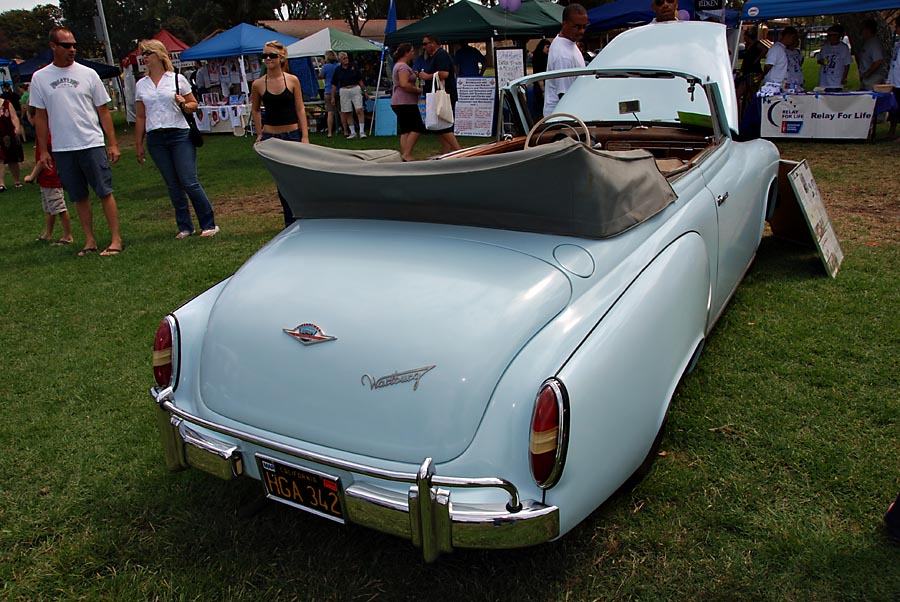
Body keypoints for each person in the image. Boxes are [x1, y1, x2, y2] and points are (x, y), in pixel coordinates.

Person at [134, 39, 219, 239]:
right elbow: (140, 116)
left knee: (189, 180)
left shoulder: (176, 80)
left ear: (158, 55)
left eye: (147, 53)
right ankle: (184, 226)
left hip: (179, 133)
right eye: (143, 54)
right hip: (155, 136)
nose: (144, 57)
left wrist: (184, 103)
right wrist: (139, 143)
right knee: (172, 184)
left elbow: (193, 104)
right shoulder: (141, 85)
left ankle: (208, 223)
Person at [251, 40, 310, 227]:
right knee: (281, 183)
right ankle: (290, 222)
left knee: (297, 180)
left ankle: (302, 217)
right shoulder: (258, 84)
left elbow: (300, 108)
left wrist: (305, 136)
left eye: (272, 55)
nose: (268, 59)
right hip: (272, 138)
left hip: (292, 134)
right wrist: (260, 133)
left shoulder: (292, 80)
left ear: (281, 57)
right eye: (265, 56)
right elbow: (256, 110)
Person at [25, 128, 72, 245]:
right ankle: (48, 233)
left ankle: (68, 236)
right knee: (49, 209)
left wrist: (31, 176)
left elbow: (42, 162)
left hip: (51, 178)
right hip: (45, 180)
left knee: (59, 208)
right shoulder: (43, 134)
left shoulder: (46, 136)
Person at [419, 34, 462, 153]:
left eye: (425, 44)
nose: (424, 47)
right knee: (440, 125)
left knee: (444, 125)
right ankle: (447, 151)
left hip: (444, 96)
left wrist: (427, 76)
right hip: (438, 96)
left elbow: (444, 74)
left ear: (433, 43)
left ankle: (458, 150)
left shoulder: (441, 55)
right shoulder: (432, 57)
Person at [544, 4, 588, 116]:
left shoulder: (568, 43)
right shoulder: (562, 55)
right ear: (564, 24)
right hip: (562, 119)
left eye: (584, 26)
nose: (582, 31)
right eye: (577, 27)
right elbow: (565, 97)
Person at [391, 43, 424, 162]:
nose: (413, 53)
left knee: (406, 130)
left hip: (398, 101)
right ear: (406, 53)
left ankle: (406, 155)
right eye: (412, 51)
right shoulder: (403, 67)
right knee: (418, 127)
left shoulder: (399, 66)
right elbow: (404, 84)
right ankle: (407, 153)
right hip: (405, 102)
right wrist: (417, 90)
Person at [331, 52, 368, 139]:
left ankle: (362, 131)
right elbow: (334, 84)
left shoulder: (354, 67)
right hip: (344, 90)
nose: (346, 59)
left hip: (355, 88)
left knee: (359, 109)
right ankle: (352, 132)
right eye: (344, 58)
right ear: (340, 60)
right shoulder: (338, 70)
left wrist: (365, 91)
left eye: (347, 57)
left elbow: (360, 80)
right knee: (347, 111)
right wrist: (332, 96)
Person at [0, 95, 24, 190]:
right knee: (0, 159)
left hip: (8, 136)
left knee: (12, 160)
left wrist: (17, 127)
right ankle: (1, 184)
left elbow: (14, 117)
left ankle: (17, 181)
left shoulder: (7, 103)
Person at [856, 19, 886, 91]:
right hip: (866, 78)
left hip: (874, 79)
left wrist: (868, 73)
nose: (861, 32)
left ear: (867, 30)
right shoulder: (867, 42)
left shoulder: (874, 43)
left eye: (862, 29)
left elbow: (878, 61)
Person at [319, 50, 341, 138]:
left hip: (328, 90)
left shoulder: (326, 67)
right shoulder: (339, 66)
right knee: (341, 112)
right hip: (339, 90)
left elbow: (320, 76)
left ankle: (330, 132)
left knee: (330, 112)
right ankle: (345, 130)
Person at [887, 18, 900, 140]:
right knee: (894, 108)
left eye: (897, 26)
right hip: (895, 82)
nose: (896, 29)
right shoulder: (897, 45)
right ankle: (892, 130)